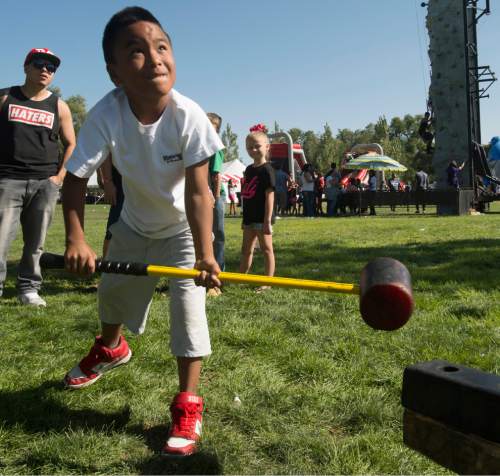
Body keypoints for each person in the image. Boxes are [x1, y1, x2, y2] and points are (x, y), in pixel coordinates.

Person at [61, 7, 224, 457]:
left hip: (182, 233)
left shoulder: (188, 116)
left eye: (161, 47)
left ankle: (188, 403)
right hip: (133, 224)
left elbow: (198, 195)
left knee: (189, 314)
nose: (154, 58)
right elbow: (74, 179)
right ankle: (111, 348)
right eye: (136, 51)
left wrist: (206, 255)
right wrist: (76, 238)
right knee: (111, 297)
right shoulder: (107, 114)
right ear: (114, 72)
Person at [0, 48, 76, 306]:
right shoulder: (5, 97)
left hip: (45, 183)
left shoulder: (59, 105)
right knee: (0, 240)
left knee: (36, 243)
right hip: (7, 180)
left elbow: (71, 144)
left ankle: (28, 289)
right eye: (39, 64)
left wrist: (59, 177)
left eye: (51, 67)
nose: (45, 70)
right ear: (26, 67)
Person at [239, 131, 275, 292]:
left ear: (267, 147)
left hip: (262, 218)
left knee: (267, 249)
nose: (253, 150)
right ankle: (240, 277)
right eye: (249, 147)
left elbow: (269, 196)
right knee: (246, 249)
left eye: (257, 146)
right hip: (249, 218)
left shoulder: (267, 170)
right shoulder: (248, 169)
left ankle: (267, 282)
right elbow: (247, 195)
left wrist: (267, 221)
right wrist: (244, 217)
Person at [206, 112, 225, 297]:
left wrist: (216, 197)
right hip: (205, 195)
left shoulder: (215, 146)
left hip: (214, 196)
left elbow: (216, 175)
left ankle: (219, 275)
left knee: (217, 235)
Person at [98, 156, 124, 258]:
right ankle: (106, 264)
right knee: (114, 225)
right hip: (119, 179)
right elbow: (104, 149)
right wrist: (106, 180)